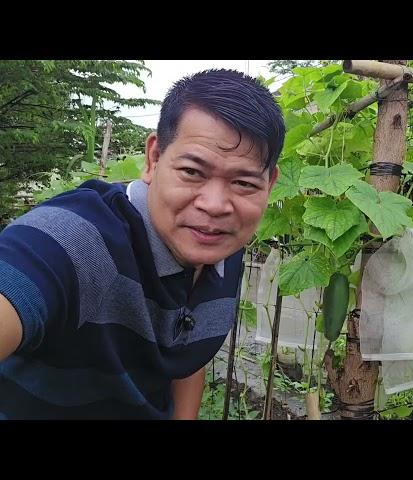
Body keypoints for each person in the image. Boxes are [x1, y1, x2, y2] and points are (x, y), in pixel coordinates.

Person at [0, 68, 284, 419]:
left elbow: (186, 352)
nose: (215, 205)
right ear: (153, 159)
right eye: (193, 172)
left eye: (243, 183)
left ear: (270, 184)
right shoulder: (78, 239)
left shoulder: (222, 248)